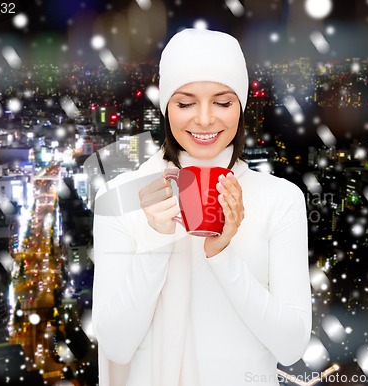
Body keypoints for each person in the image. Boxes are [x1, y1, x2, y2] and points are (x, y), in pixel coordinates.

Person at [92, 28, 311, 386]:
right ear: (166, 107)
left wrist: (222, 255)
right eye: (185, 102)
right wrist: (154, 241)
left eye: (223, 102)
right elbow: (116, 346)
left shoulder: (280, 199)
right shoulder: (121, 198)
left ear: (240, 106)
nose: (205, 119)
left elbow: (291, 347)